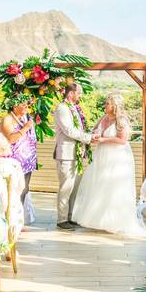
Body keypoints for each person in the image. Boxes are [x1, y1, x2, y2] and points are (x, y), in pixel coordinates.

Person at [72, 93, 145, 236]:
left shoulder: (121, 120)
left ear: (115, 106)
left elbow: (122, 140)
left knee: (113, 187)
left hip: (117, 157)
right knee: (99, 185)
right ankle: (98, 219)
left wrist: (103, 140)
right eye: (106, 103)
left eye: (108, 103)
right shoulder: (103, 118)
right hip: (102, 155)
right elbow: (94, 132)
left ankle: (113, 221)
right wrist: (94, 137)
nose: (105, 105)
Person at [52, 82, 96, 230]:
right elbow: (69, 131)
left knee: (74, 188)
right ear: (70, 93)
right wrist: (89, 138)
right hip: (66, 154)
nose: (80, 95)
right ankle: (61, 219)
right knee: (66, 187)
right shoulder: (62, 109)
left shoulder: (75, 108)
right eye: (79, 92)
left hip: (76, 154)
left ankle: (70, 216)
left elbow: (79, 128)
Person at [0, 94, 38, 224]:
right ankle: (11, 220)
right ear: (15, 106)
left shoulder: (27, 117)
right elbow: (10, 139)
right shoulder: (8, 119)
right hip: (14, 161)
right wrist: (25, 128)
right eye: (23, 104)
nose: (26, 106)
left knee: (24, 189)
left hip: (28, 161)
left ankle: (18, 219)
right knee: (14, 190)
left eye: (27, 103)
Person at [0, 130, 26, 240]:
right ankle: (10, 243)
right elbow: (21, 186)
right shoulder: (14, 164)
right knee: (16, 203)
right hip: (12, 208)